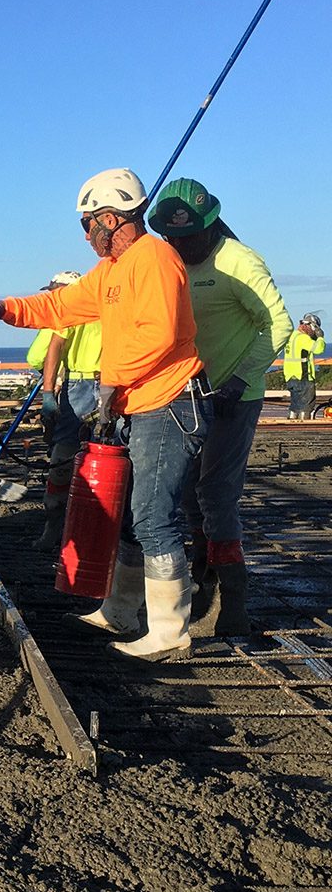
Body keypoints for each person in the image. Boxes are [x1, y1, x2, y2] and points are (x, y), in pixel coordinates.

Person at [0, 168, 210, 661]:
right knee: (132, 520)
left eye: (87, 223)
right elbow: (62, 306)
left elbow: (159, 334)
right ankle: (119, 610)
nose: (86, 233)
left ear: (112, 218)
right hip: (138, 404)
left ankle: (170, 631)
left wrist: (110, 380)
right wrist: (2, 308)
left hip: (168, 403)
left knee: (154, 517)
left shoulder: (154, 260)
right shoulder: (114, 270)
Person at [148, 178, 292, 637]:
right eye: (172, 238)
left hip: (235, 395)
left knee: (216, 494)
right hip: (188, 393)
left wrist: (240, 378)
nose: (181, 246)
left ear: (211, 225)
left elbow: (278, 324)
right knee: (186, 490)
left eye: (190, 237)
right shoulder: (170, 261)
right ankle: (203, 573)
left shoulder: (239, 261)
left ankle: (235, 600)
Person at [26, 272, 102, 553]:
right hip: (104, 382)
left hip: (82, 384)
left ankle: (57, 530)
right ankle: (86, 533)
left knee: (64, 457)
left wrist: (49, 391)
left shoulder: (70, 307)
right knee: (101, 457)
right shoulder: (99, 303)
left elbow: (45, 352)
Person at [282, 313, 325, 420]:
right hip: (303, 376)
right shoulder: (303, 339)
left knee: (295, 405)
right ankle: (304, 428)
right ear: (311, 326)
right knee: (306, 407)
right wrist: (320, 337)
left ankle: (291, 428)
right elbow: (318, 349)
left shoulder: (292, 336)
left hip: (291, 376)